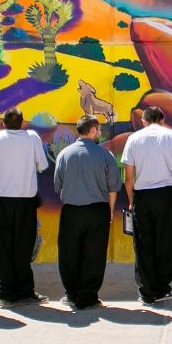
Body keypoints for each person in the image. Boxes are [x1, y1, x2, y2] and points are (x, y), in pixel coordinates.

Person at [122, 107, 172, 305]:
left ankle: (146, 290)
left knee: (143, 244)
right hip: (168, 195)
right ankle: (162, 287)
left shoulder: (133, 139)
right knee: (168, 243)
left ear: (143, 121)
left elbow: (128, 176)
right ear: (163, 119)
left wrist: (132, 199)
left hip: (142, 196)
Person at [54, 116, 123, 310]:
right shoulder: (105, 155)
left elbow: (57, 185)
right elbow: (113, 187)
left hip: (71, 210)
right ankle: (88, 296)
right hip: (97, 210)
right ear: (92, 130)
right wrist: (109, 211)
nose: (100, 133)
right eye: (99, 129)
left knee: (69, 254)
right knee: (94, 255)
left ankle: (71, 293)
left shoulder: (64, 154)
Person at [0, 108, 49, 308]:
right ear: (23, 122)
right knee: (23, 247)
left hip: (2, 200)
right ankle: (25, 291)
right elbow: (42, 165)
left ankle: (5, 292)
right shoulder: (31, 137)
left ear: (4, 123)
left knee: (3, 248)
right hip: (24, 201)